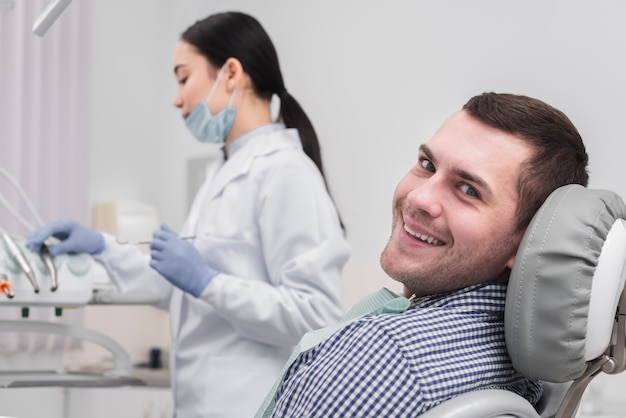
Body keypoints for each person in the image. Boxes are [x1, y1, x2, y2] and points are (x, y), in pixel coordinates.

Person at [26, 11, 350, 418]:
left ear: (231, 73)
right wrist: (102, 247)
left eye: (183, 78)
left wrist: (207, 282)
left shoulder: (284, 170)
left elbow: (315, 315)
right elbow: (179, 290)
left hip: (250, 402)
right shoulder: (221, 172)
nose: (177, 98)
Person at [256, 92, 589, 417]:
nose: (418, 198)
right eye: (427, 165)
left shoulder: (384, 356)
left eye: (468, 189)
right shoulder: (520, 367)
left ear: (527, 242)